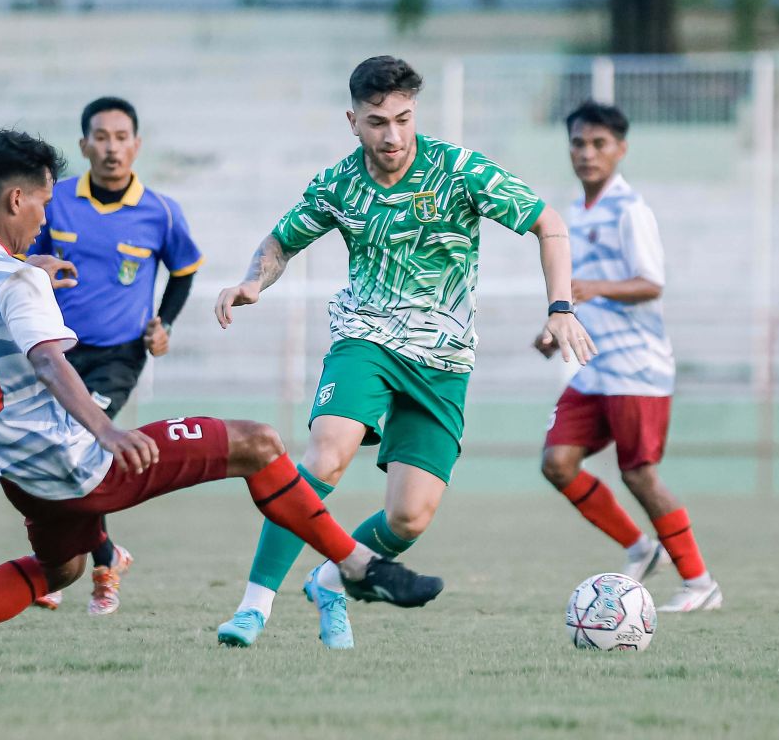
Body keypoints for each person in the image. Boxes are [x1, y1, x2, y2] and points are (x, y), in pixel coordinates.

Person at [0, 129, 443, 651]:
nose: (45, 214)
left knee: (63, 570)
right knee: (259, 443)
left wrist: (32, 261)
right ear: (14, 201)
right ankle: (359, 568)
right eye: (42, 203)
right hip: (78, 466)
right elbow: (50, 364)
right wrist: (107, 431)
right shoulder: (20, 282)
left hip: (21, 476)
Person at [213, 55, 597, 650]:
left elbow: (549, 222)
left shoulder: (460, 170)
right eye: (376, 122)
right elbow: (281, 240)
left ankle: (331, 578)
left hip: (443, 359)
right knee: (327, 455)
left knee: (410, 517)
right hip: (365, 337)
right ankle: (252, 608)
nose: (391, 135)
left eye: (402, 119)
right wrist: (252, 281)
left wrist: (560, 306)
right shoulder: (338, 184)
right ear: (353, 121)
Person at [535, 101, 720, 612]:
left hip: (637, 369)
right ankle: (640, 547)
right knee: (558, 462)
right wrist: (556, 328)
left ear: (621, 149)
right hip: (596, 368)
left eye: (599, 144)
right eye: (578, 143)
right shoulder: (575, 210)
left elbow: (650, 283)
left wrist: (593, 288)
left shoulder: (631, 210)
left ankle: (701, 583)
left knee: (639, 473)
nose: (587, 153)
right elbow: (576, 291)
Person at [25, 96, 203, 614]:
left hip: (119, 356)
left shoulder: (161, 211)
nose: (111, 147)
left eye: (121, 137)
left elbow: (185, 270)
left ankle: (69, 565)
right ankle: (99, 554)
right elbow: (22, 255)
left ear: (137, 145)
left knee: (77, 442)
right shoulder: (54, 203)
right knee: (48, 454)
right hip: (56, 351)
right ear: (83, 145)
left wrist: (163, 323)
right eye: (100, 137)